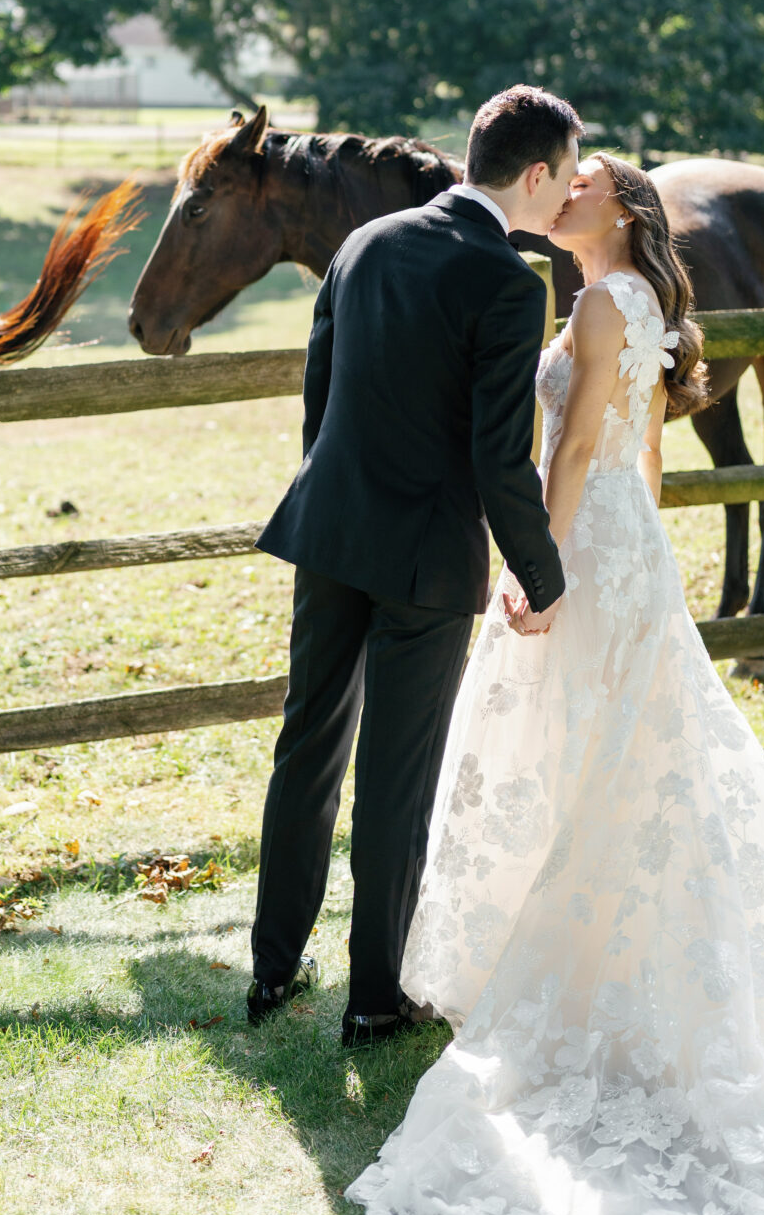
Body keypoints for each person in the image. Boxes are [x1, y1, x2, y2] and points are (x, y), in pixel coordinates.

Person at [348, 155, 764, 1215]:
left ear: (603, 212)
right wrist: (632, 551)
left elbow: (569, 461)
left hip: (588, 551)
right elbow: (644, 451)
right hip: (629, 546)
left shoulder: (606, 305)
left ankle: (592, 969)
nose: (552, 202)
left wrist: (543, 572)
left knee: (598, 759)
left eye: (575, 189)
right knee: (615, 764)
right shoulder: (619, 300)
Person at [246, 85, 582, 1045]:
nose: (563, 196)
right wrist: (543, 576)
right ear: (533, 173)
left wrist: (332, 496)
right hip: (425, 558)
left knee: (306, 746)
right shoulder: (510, 284)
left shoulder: (366, 244)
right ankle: (372, 997)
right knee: (396, 777)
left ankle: (272, 970)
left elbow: (321, 394)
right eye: (563, 174)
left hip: (329, 528)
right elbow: (496, 455)